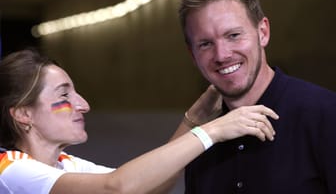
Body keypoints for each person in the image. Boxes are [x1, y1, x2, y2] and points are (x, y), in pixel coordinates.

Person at [0, 49, 279, 194]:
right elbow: (118, 187)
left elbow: (145, 186)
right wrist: (214, 130)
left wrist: (194, 120)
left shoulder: (64, 165)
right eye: (64, 95)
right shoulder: (10, 171)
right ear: (23, 114)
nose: (83, 105)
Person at [176, 0, 336, 193]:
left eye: (233, 35)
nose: (221, 55)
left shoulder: (325, 114)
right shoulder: (201, 142)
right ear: (192, 55)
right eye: (205, 44)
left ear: (263, 33)